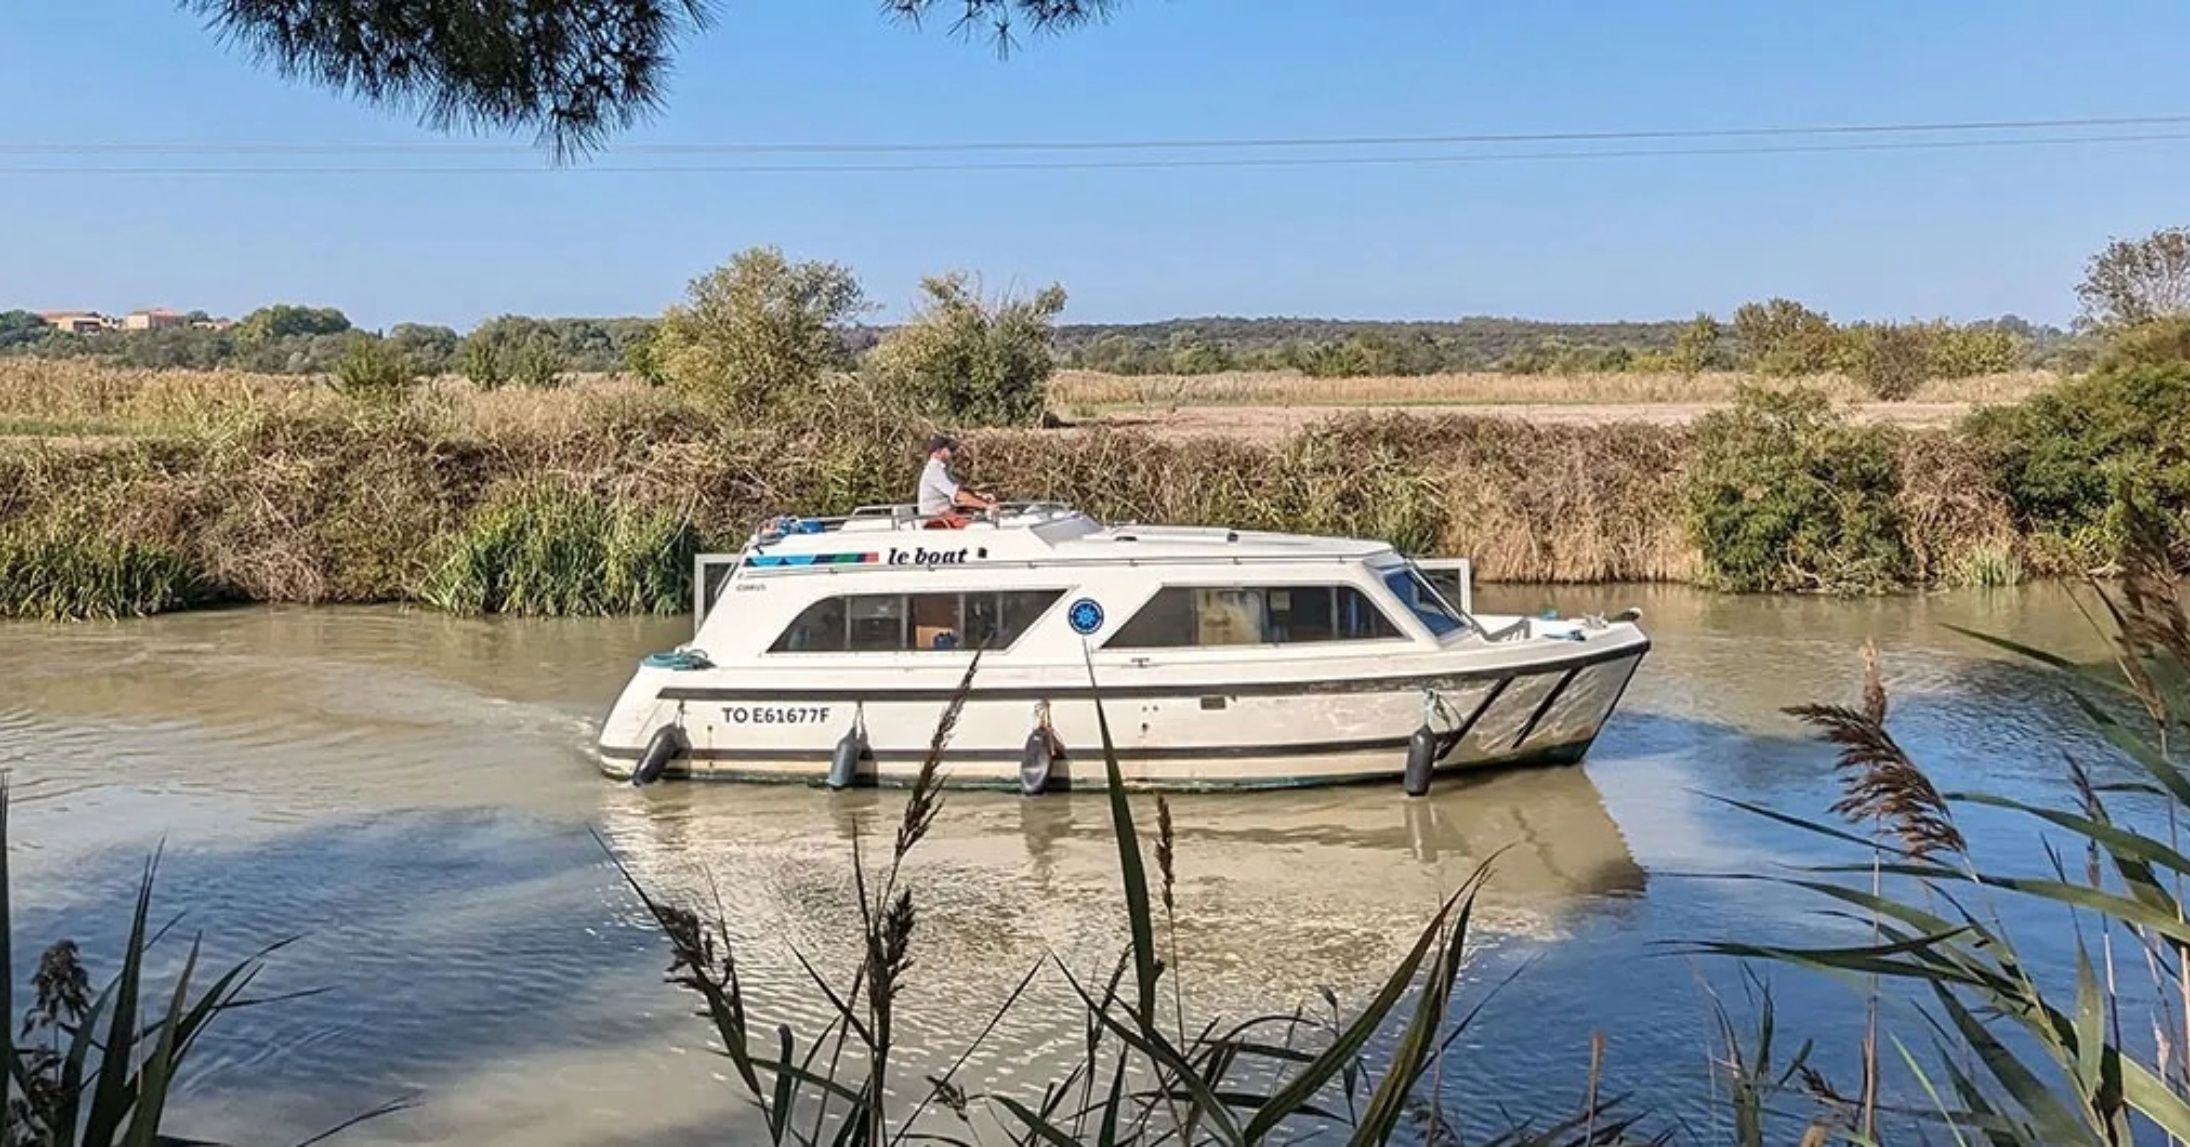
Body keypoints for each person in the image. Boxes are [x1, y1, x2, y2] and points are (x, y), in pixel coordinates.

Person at [916, 434, 997, 528]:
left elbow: (960, 490)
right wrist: (985, 505)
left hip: (947, 515)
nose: (953, 453)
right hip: (936, 522)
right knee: (980, 526)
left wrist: (981, 496)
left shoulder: (943, 469)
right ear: (938, 451)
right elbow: (958, 495)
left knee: (977, 519)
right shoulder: (934, 470)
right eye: (950, 449)